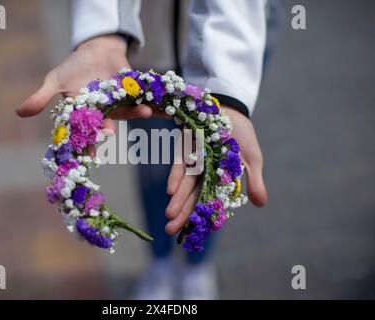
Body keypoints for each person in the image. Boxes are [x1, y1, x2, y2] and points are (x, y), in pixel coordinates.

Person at [17, 0, 269, 299]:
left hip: (236, 39)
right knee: (152, 164)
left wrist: (226, 82)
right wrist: (103, 30)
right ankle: (159, 262)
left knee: (212, 172)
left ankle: (197, 265)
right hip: (145, 45)